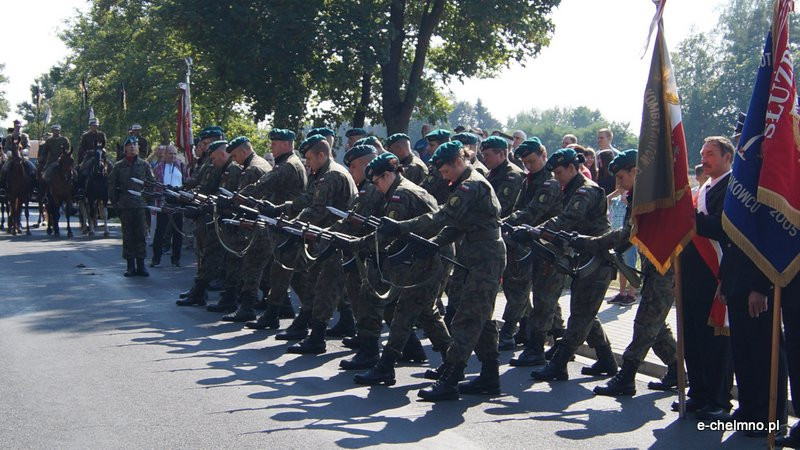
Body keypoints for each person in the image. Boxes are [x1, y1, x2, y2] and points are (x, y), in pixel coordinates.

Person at [377, 140, 506, 402]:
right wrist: (433, 244)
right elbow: (456, 226)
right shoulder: (466, 182)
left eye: (446, 170)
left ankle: (451, 378)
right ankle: (490, 376)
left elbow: (441, 217)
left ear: (458, 162)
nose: (444, 176)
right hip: (476, 253)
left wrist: (401, 227)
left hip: (485, 257)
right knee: (479, 315)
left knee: (468, 317)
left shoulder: (471, 185)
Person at [570, 150, 679, 397]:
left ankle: (627, 376)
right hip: (654, 268)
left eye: (621, 177)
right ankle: (675, 370)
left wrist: (591, 242)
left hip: (666, 269)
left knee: (645, 323)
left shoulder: (653, 199)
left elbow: (627, 234)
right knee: (655, 324)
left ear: (635, 172)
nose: (618, 183)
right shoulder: (638, 197)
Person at [517, 148, 617, 382]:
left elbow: (567, 219)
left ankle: (559, 363)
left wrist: (534, 231)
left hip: (597, 257)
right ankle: (606, 359)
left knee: (581, 314)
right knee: (585, 311)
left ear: (572, 168)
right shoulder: (571, 188)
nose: (556, 177)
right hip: (586, 257)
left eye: (559, 172)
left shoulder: (585, 190)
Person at [353, 151, 454, 383]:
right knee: (426, 310)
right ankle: (452, 363)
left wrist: (356, 244)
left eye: (377, 182)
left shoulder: (400, 195)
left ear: (387, 175)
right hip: (433, 253)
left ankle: (386, 366)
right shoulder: (404, 189)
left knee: (406, 310)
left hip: (431, 256)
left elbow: (387, 236)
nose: (376, 188)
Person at [678, 136, 734, 420]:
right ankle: (698, 392)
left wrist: (689, 218)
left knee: (714, 341)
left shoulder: (732, 187)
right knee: (693, 337)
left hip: (715, 274)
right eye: (702, 154)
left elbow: (723, 227)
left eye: (711, 153)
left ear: (727, 157)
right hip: (691, 275)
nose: (704, 159)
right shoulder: (703, 189)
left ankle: (718, 399)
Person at [505, 139, 564, 367]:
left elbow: (532, 212)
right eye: (525, 162)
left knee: (545, 297)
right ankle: (553, 339)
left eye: (532, 161)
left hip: (548, 244)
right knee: (543, 296)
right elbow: (519, 207)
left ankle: (544, 344)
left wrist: (507, 221)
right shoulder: (528, 180)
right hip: (531, 242)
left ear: (543, 155)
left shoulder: (549, 182)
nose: (528, 166)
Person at [240, 129, 308, 325]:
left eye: (275, 143)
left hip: (285, 225)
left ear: (286, 144)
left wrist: (236, 199)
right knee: (287, 272)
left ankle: (285, 313)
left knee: (284, 271)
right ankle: (284, 310)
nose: (272, 147)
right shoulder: (291, 163)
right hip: (283, 223)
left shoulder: (288, 166)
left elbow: (262, 185)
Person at [479, 136, 527, 351]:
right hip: (498, 237)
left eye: (488, 155)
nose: (485, 159)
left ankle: (509, 331)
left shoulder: (512, 175)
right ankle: (529, 329)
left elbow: (501, 206)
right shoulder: (493, 173)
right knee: (515, 288)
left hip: (512, 238)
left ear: (501, 153)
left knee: (515, 287)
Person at [219, 136, 273, 322]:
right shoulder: (262, 163)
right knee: (266, 268)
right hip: (265, 222)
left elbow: (244, 200)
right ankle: (281, 305)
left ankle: (247, 307)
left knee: (251, 266)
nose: (234, 160)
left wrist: (228, 208)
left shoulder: (252, 169)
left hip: (257, 224)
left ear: (244, 151)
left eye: (235, 155)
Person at [176, 126, 227, 307]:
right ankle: (200, 289)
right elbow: (197, 181)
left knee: (211, 253)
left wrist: (188, 197)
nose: (203, 146)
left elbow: (206, 187)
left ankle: (205, 290)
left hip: (212, 212)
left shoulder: (218, 161)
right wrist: (181, 192)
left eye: (206, 143)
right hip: (205, 210)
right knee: (203, 252)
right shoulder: (207, 160)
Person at [108, 136, 154, 277]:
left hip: (140, 205)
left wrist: (147, 199)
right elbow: (112, 186)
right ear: (125, 148)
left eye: (135, 145)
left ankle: (141, 265)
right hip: (125, 205)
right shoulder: (118, 166)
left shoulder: (144, 165)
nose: (133, 147)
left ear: (138, 148)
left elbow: (151, 183)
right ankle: (130, 266)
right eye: (130, 145)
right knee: (128, 236)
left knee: (141, 235)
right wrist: (115, 204)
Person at [150, 145, 186, 267]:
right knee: (160, 231)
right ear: (165, 154)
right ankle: (156, 259)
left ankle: (176, 259)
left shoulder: (181, 166)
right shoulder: (158, 167)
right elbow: (155, 186)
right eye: (170, 154)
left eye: (175, 154)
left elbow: (186, 182)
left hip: (178, 201)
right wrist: (155, 202)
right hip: (164, 201)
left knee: (178, 232)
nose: (173, 156)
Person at [606, 185, 637, 305]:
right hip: (617, 238)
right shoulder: (616, 201)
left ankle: (632, 294)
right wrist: (617, 192)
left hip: (629, 239)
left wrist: (627, 198)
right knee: (621, 266)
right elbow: (605, 200)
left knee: (630, 266)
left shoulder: (631, 201)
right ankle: (622, 293)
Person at [0, 120, 35, 191]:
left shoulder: (24, 136)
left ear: (20, 127)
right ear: (14, 126)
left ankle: (33, 186)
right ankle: (3, 187)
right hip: (11, 157)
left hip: (22, 157)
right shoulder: (9, 136)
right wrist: (9, 152)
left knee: (33, 169)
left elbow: (28, 146)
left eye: (18, 126)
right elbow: (6, 147)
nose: (17, 128)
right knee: (4, 169)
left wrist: (24, 151)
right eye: (16, 126)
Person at [420, 129, 452, 204]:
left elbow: (425, 190)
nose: (427, 148)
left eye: (431, 145)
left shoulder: (448, 167)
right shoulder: (434, 165)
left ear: (443, 146)